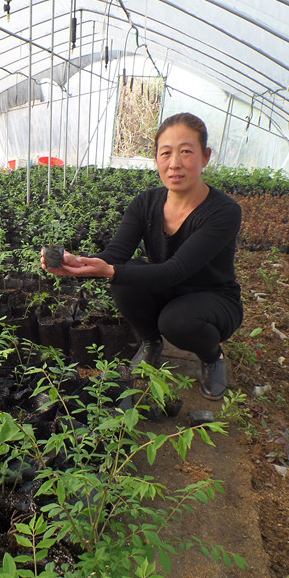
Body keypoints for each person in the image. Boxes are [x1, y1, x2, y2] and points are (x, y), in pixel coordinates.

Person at [41, 112, 243, 400]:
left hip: (213, 299)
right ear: (156, 158)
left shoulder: (223, 211)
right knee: (126, 276)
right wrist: (78, 263)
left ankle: (213, 357)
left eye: (186, 152)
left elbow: (176, 270)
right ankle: (151, 343)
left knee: (175, 320)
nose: (174, 163)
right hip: (167, 289)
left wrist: (109, 270)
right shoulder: (146, 203)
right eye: (166, 153)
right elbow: (116, 254)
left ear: (205, 156)